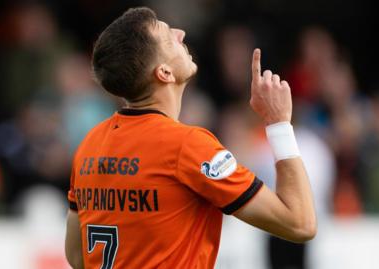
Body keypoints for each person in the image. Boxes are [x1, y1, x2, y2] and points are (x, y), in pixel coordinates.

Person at [65, 7, 316, 269]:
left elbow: (77, 256)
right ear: (164, 73)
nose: (180, 33)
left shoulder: (90, 144)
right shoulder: (188, 146)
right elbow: (300, 223)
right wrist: (278, 123)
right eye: (167, 36)